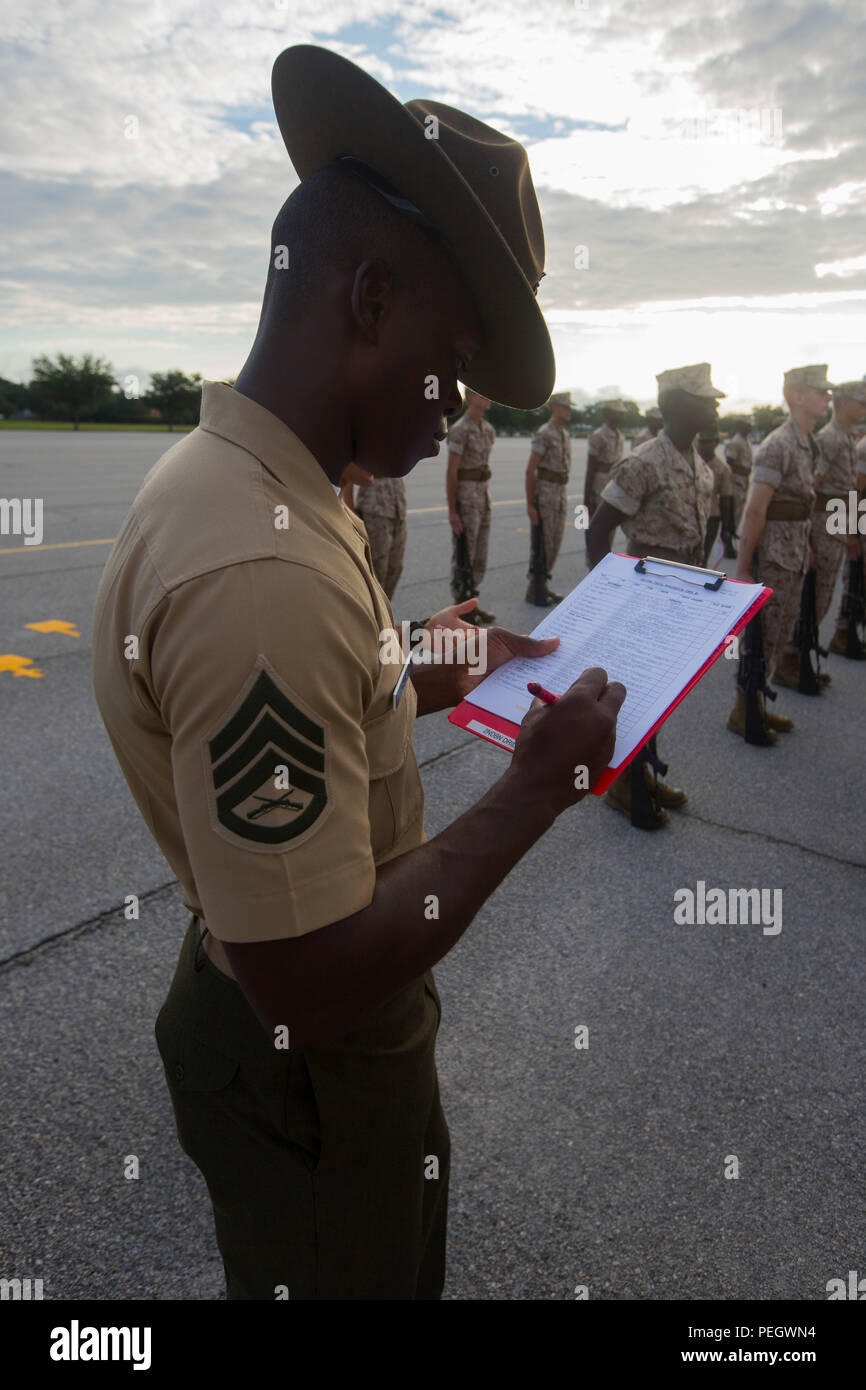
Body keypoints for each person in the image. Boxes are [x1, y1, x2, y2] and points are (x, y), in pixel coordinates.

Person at [91, 43, 624, 1302]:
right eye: (457, 363)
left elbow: (338, 687)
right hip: (313, 1062)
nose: (462, 412)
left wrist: (438, 662)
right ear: (373, 301)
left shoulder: (258, 481)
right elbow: (310, 977)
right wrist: (536, 788)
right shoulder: (259, 570)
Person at [586, 363, 721, 828]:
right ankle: (624, 784)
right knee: (635, 691)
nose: (715, 405)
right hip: (646, 591)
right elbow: (599, 530)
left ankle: (641, 771)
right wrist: (606, 594)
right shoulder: (643, 461)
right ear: (678, 406)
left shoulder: (698, 463)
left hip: (685, 591)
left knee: (660, 692)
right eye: (705, 399)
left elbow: (706, 527)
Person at [728, 364, 831, 738]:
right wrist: (743, 567)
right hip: (773, 557)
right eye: (820, 391)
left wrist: (806, 545)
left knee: (780, 631)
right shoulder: (778, 445)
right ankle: (743, 709)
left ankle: (756, 703)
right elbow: (756, 510)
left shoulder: (807, 442)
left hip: (792, 554)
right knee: (763, 635)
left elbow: (802, 505)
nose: (827, 397)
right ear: (798, 396)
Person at [817, 383, 866, 657]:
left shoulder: (847, 438)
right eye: (861, 402)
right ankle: (793, 658)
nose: (865, 407)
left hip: (841, 519)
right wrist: (852, 532)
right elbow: (815, 487)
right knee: (820, 592)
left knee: (828, 590)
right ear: (844, 403)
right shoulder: (831, 439)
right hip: (830, 521)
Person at [446, 389, 496, 623]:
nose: (488, 398)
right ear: (470, 398)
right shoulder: (460, 429)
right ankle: (459, 609)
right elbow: (452, 471)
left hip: (483, 497)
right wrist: (452, 511)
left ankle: (471, 604)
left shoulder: (488, 430)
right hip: (466, 499)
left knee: (480, 555)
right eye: (482, 395)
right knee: (464, 554)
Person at [525, 390, 573, 605]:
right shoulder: (544, 433)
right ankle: (535, 589)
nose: (568, 410)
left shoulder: (565, 434)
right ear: (553, 407)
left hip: (560, 494)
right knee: (542, 543)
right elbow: (530, 470)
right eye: (565, 406)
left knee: (554, 543)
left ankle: (541, 586)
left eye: (569, 407)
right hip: (545, 494)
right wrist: (530, 505)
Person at [353, 473, 408, 600]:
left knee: (395, 568)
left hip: (398, 506)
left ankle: (384, 608)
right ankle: (371, 609)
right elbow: (348, 472)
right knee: (376, 569)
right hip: (375, 509)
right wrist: (351, 510)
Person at [696, 427, 735, 563]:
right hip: (689, 515)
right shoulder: (691, 462)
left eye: (708, 442)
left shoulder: (722, 468)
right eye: (701, 441)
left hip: (711, 517)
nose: (703, 445)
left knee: (703, 557)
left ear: (716, 442)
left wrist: (726, 527)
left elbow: (726, 499)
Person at [584, 399, 627, 519]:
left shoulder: (620, 436)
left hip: (615, 484)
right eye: (618, 412)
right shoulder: (598, 435)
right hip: (600, 484)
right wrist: (587, 498)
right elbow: (590, 467)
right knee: (598, 521)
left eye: (622, 413)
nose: (621, 415)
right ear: (608, 414)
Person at [723, 415, 754, 555]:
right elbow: (729, 463)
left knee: (738, 513)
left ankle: (732, 542)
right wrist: (743, 470)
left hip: (743, 481)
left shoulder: (746, 441)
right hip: (735, 481)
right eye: (747, 425)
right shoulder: (736, 442)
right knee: (732, 514)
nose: (750, 427)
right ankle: (728, 546)